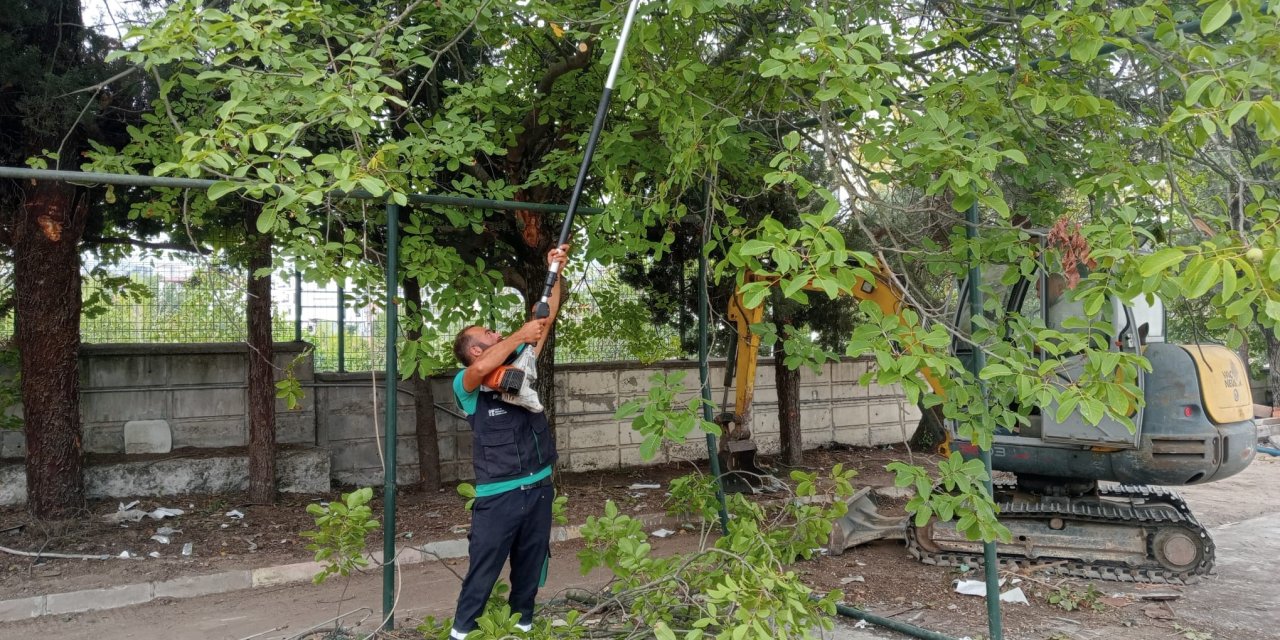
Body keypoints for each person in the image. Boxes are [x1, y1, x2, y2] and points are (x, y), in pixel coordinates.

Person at [448, 244, 569, 640]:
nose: (497, 333)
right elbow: (483, 368)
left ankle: (523, 628)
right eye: (488, 334)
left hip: (538, 489)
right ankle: (461, 633)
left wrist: (556, 270)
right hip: (498, 497)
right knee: (482, 571)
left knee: (530, 569)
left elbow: (545, 318)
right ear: (476, 348)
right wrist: (520, 332)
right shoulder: (467, 385)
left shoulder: (521, 365)